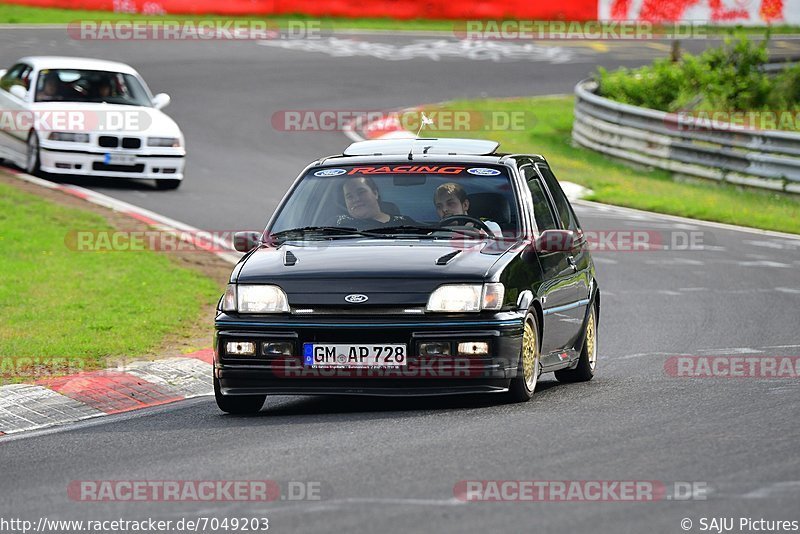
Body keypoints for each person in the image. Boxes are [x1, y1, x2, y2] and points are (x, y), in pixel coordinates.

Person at [336, 176, 416, 228]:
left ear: (375, 193)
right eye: (349, 196)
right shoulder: (336, 225)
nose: (356, 199)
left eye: (361, 192)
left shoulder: (404, 223)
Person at [433, 182, 501, 235]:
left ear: (465, 205)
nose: (444, 209)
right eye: (439, 206)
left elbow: (496, 249)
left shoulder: (489, 228)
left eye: (451, 203)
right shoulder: (432, 234)